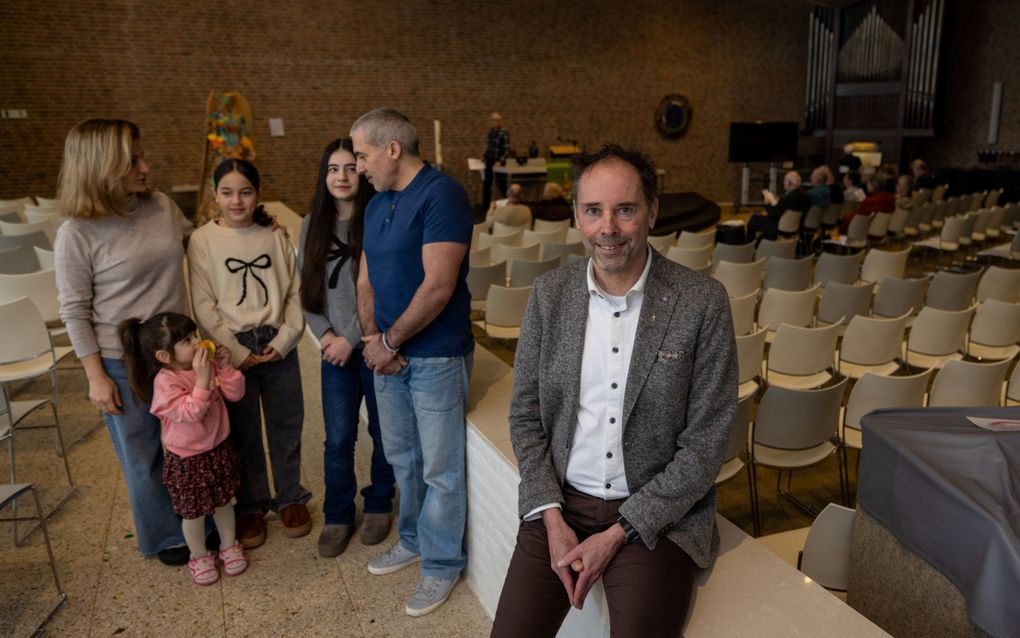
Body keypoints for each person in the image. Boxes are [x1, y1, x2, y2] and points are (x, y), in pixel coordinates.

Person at [491, 144, 737, 637]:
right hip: (560, 503)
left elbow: (707, 443)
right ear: (577, 217)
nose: (609, 228)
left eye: (624, 210)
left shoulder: (701, 302)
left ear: (651, 212)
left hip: (658, 517)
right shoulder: (549, 295)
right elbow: (525, 416)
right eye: (594, 211)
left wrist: (621, 530)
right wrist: (550, 517)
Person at [350, 108, 474, 617]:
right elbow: (365, 281)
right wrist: (372, 339)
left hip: (435, 356)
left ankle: (442, 563)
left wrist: (392, 342)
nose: (358, 166)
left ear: (392, 148)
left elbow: (439, 286)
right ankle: (414, 540)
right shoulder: (378, 202)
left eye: (362, 154)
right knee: (404, 459)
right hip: (388, 354)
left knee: (441, 469)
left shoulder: (442, 195)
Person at [55, 118, 194, 566]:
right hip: (123, 361)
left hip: (177, 354)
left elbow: (199, 242)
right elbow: (74, 311)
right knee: (144, 454)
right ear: (102, 166)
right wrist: (96, 376)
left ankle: (200, 520)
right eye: (132, 160)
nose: (145, 167)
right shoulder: (77, 232)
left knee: (191, 442)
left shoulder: (160, 205)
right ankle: (167, 536)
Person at [188, 159, 311, 550]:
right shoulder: (202, 240)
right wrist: (235, 350)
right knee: (243, 433)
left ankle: (290, 495)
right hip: (232, 347)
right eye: (227, 192)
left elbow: (295, 290)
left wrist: (288, 337)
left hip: (277, 341)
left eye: (245, 192)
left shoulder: (274, 235)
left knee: (287, 424)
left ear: (257, 194)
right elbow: (203, 304)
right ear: (215, 196)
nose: (236, 201)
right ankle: (251, 504)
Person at [299, 138, 395, 557]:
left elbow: (384, 289)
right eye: (333, 168)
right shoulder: (312, 223)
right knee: (338, 437)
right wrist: (325, 338)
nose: (341, 176)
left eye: (350, 167)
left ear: (362, 171)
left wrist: (351, 339)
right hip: (332, 352)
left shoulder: (377, 218)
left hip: (373, 345)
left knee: (382, 432)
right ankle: (338, 514)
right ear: (324, 176)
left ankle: (378, 502)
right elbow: (307, 291)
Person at [120, 313, 248, 585]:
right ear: (165, 356)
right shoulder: (165, 382)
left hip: (218, 448)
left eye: (196, 335)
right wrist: (202, 379)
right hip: (187, 459)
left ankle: (228, 545)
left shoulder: (208, 365)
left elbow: (235, 394)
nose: (198, 343)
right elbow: (191, 413)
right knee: (193, 512)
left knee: (224, 501)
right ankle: (199, 555)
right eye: (187, 340)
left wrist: (224, 368)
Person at [745, 170, 812, 243]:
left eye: (785, 181)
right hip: (796, 228)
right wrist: (778, 201)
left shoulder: (788, 198)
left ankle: (749, 243)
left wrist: (767, 203)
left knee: (754, 219)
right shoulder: (805, 196)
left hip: (778, 227)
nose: (783, 183)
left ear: (790, 183)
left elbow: (773, 215)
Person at [482, 111, 510, 209]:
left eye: (496, 120)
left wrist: (500, 161)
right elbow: (489, 147)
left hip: (498, 161)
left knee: (501, 184)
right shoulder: (490, 132)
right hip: (489, 160)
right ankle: (485, 207)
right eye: (492, 120)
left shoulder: (503, 133)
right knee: (486, 184)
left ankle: (510, 201)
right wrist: (484, 157)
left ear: (499, 121)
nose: (494, 122)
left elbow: (506, 150)